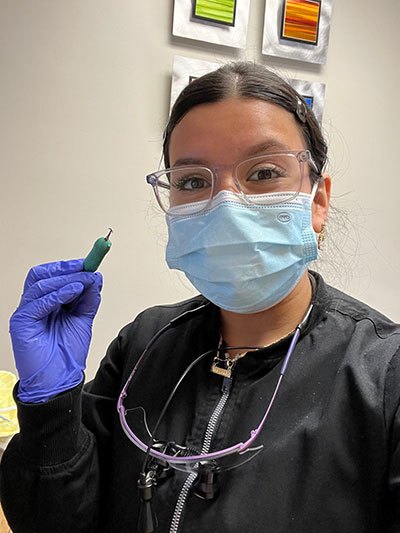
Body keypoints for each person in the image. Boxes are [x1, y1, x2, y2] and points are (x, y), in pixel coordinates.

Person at [1, 61, 400, 533]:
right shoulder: (143, 343)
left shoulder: (385, 377)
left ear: (317, 201)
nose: (225, 204)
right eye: (192, 181)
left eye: (264, 172)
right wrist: (51, 406)